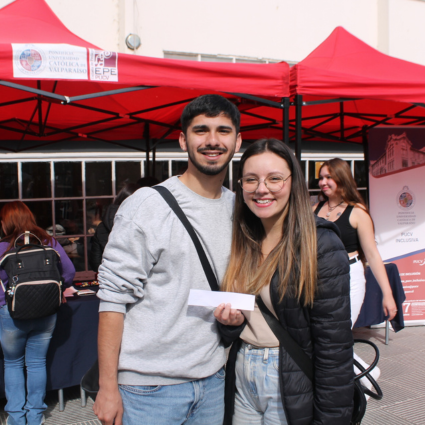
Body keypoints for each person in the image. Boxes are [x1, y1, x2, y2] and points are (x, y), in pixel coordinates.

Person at [93, 94, 242, 425]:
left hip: (213, 380)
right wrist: (107, 388)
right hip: (149, 390)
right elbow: (113, 299)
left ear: (238, 140)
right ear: (182, 140)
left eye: (223, 130)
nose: (213, 141)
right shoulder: (148, 205)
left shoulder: (239, 209)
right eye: (201, 130)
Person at [215, 139, 353, 425]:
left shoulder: (321, 244)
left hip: (288, 376)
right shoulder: (243, 238)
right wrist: (230, 324)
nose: (261, 189)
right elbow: (247, 322)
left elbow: (334, 349)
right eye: (251, 180)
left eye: (274, 179)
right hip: (241, 371)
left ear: (293, 182)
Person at [0, 201, 76, 425]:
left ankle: (16, 417)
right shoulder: (48, 241)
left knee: (13, 363)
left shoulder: (4, 246)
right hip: (47, 311)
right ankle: (35, 416)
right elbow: (69, 272)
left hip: (12, 313)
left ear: (7, 222)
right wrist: (58, 287)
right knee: (36, 362)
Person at [313, 158, 397, 326]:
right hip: (317, 277)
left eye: (328, 177)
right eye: (321, 178)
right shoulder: (314, 209)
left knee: (341, 331)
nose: (323, 182)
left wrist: (387, 294)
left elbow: (372, 255)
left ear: (342, 178)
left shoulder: (357, 212)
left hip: (349, 276)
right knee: (321, 333)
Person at [89, 182, 140, 272]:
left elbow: (95, 263)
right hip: (137, 279)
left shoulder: (102, 226)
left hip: (110, 280)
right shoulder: (140, 223)